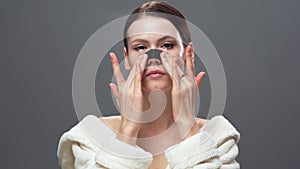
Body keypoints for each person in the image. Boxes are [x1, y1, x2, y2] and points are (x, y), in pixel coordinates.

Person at [57, 1, 240, 169]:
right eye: (140, 47)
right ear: (126, 58)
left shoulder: (217, 137)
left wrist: (188, 128)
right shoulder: (91, 137)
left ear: (187, 54)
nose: (154, 56)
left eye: (167, 45)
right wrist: (127, 133)